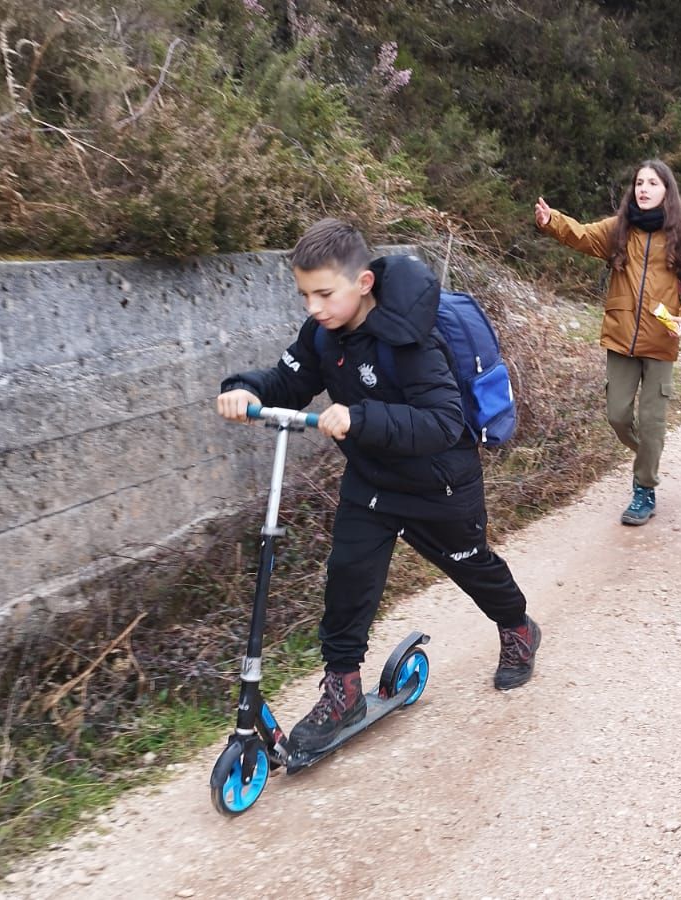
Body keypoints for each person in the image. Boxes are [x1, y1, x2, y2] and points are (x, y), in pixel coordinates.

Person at [216, 219, 540, 753]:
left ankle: (517, 627)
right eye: (304, 295)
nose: (313, 308)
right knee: (348, 573)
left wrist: (362, 417)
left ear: (363, 283)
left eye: (324, 293)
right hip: (371, 481)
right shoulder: (322, 334)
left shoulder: (411, 338)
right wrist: (243, 388)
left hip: (438, 483)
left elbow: (442, 421)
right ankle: (343, 688)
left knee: (471, 563)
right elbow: (288, 381)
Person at [535, 160, 681, 525]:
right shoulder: (620, 229)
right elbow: (582, 235)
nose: (644, 189)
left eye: (652, 183)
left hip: (662, 338)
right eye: (639, 183)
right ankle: (649, 453)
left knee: (651, 420)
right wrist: (552, 220)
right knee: (617, 416)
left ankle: (644, 488)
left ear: (667, 190)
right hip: (620, 338)